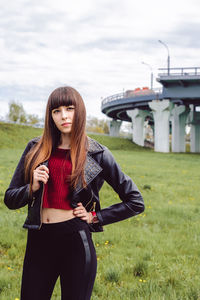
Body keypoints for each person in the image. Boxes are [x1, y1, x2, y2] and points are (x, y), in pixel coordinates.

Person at [4, 86, 144, 300]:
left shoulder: (98, 154)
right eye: (56, 110)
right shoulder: (34, 148)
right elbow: (10, 199)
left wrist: (95, 217)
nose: (64, 116)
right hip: (39, 240)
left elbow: (135, 201)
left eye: (70, 108)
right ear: (50, 116)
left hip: (76, 242)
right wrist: (31, 187)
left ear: (80, 112)